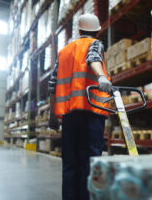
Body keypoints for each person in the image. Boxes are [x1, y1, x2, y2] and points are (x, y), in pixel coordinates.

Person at [48, 14, 112, 200]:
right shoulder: (95, 44)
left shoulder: (65, 51)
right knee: (90, 162)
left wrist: (53, 116)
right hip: (91, 113)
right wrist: (101, 76)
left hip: (69, 115)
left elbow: (53, 84)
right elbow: (93, 59)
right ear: (97, 30)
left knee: (70, 163)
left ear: (79, 30)